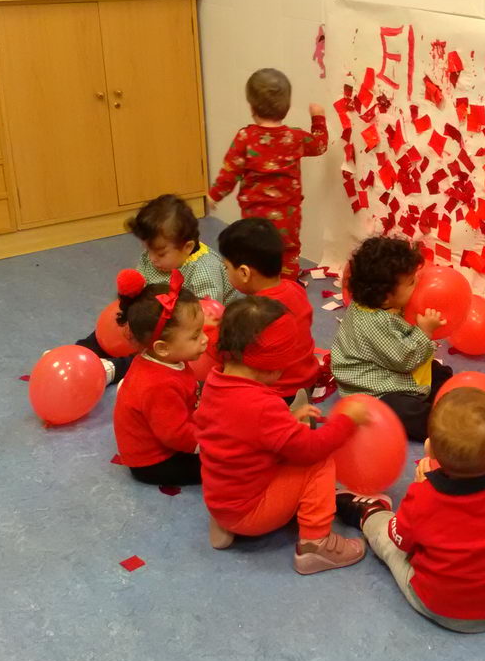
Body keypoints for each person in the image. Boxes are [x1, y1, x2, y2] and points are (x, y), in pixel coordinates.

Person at [336, 388, 485, 633]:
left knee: (386, 536)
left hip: (438, 606)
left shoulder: (423, 497)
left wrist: (417, 489)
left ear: (430, 450)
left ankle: (368, 513)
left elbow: (401, 540)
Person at [194, 296, 370, 574]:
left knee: (284, 448)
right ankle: (316, 544)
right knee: (318, 463)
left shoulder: (215, 382)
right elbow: (311, 449)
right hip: (250, 511)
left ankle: (225, 525)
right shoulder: (263, 406)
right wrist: (347, 422)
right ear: (274, 366)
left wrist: (286, 420)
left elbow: (240, 433)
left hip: (220, 501)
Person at [74, 194, 235, 385]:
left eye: (160, 253)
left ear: (187, 247)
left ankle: (117, 368)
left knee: (160, 352)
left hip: (190, 326)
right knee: (120, 322)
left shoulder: (203, 271)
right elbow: (142, 288)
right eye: (147, 250)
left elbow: (201, 317)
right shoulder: (153, 259)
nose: (152, 258)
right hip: (160, 312)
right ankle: (82, 352)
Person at [208, 68, 328, 280]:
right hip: (288, 217)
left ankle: (259, 297)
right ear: (287, 107)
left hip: (255, 217)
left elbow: (230, 172)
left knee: (255, 254)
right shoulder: (295, 138)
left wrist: (214, 196)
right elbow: (319, 145)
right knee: (288, 252)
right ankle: (286, 290)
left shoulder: (245, 137)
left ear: (252, 107)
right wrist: (318, 117)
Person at [330, 236, 452, 442]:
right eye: (412, 282)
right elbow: (405, 359)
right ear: (387, 296)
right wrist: (425, 332)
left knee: (438, 374)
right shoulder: (374, 323)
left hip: (389, 365)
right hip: (372, 389)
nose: (419, 283)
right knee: (404, 411)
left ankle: (448, 396)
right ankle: (446, 425)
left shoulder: (377, 302)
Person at [111, 268, 207, 486]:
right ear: (162, 348)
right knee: (227, 463)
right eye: (195, 336)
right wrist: (213, 442)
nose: (204, 339)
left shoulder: (165, 359)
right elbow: (175, 435)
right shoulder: (159, 385)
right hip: (154, 463)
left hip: (171, 435)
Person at [217, 218, 319, 405]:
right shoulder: (294, 288)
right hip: (307, 380)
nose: (225, 271)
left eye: (226, 267)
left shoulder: (255, 313)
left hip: (277, 392)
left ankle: (291, 415)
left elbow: (229, 355)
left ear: (244, 273)